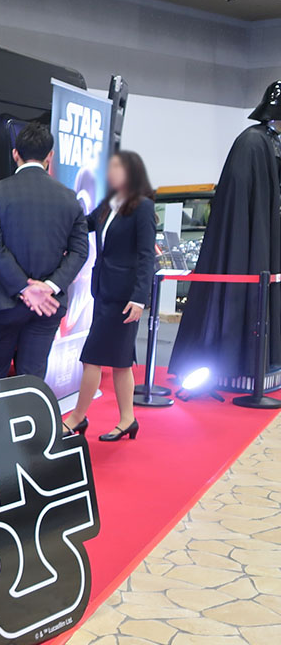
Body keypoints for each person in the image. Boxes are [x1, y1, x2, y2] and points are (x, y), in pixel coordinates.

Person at [170, 80, 281, 388]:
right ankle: (231, 359)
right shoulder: (253, 143)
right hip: (249, 241)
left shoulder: (267, 143)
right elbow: (241, 203)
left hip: (264, 235)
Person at [0, 122, 89, 382]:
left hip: (3, 304)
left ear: (15, 154)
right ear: (50, 156)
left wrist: (24, 288)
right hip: (48, 306)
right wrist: (49, 287)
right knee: (32, 380)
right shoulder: (68, 197)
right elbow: (80, 251)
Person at [63, 152, 156, 442]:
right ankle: (128, 419)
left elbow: (146, 256)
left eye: (116, 168)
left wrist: (139, 298)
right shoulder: (108, 204)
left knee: (92, 358)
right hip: (105, 292)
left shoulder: (142, 207)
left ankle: (78, 417)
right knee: (121, 361)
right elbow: (84, 224)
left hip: (125, 298)